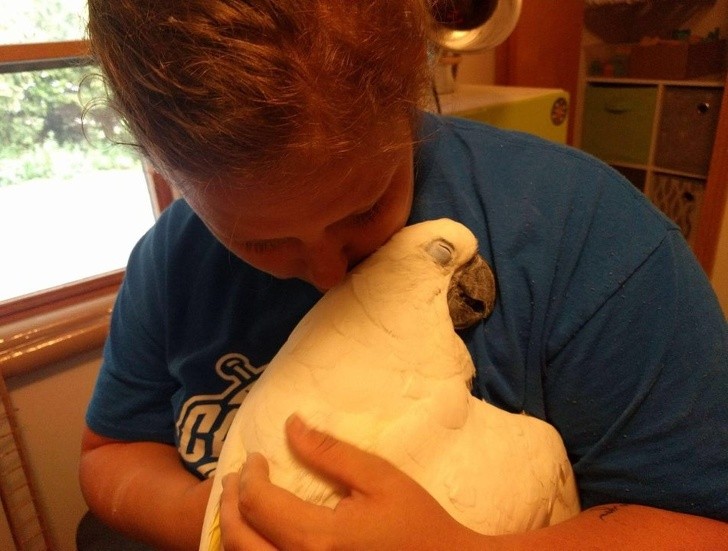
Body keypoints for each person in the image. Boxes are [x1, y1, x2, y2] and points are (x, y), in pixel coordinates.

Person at [79, 0, 728, 549]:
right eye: (261, 241)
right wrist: (220, 517)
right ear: (168, 177)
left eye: (364, 209)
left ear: (413, 90)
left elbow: (703, 527)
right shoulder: (168, 263)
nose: (328, 272)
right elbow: (109, 453)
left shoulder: (592, 238)